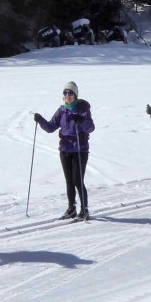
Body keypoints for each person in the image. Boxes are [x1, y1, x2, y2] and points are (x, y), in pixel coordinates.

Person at [33, 81, 95, 220]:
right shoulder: (62, 111)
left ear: (75, 95)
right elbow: (50, 127)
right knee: (69, 181)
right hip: (65, 149)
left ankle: (84, 210)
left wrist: (81, 120)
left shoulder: (82, 109)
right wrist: (40, 120)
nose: (67, 95)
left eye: (70, 93)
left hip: (80, 149)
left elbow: (91, 128)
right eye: (65, 93)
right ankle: (71, 209)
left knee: (77, 180)